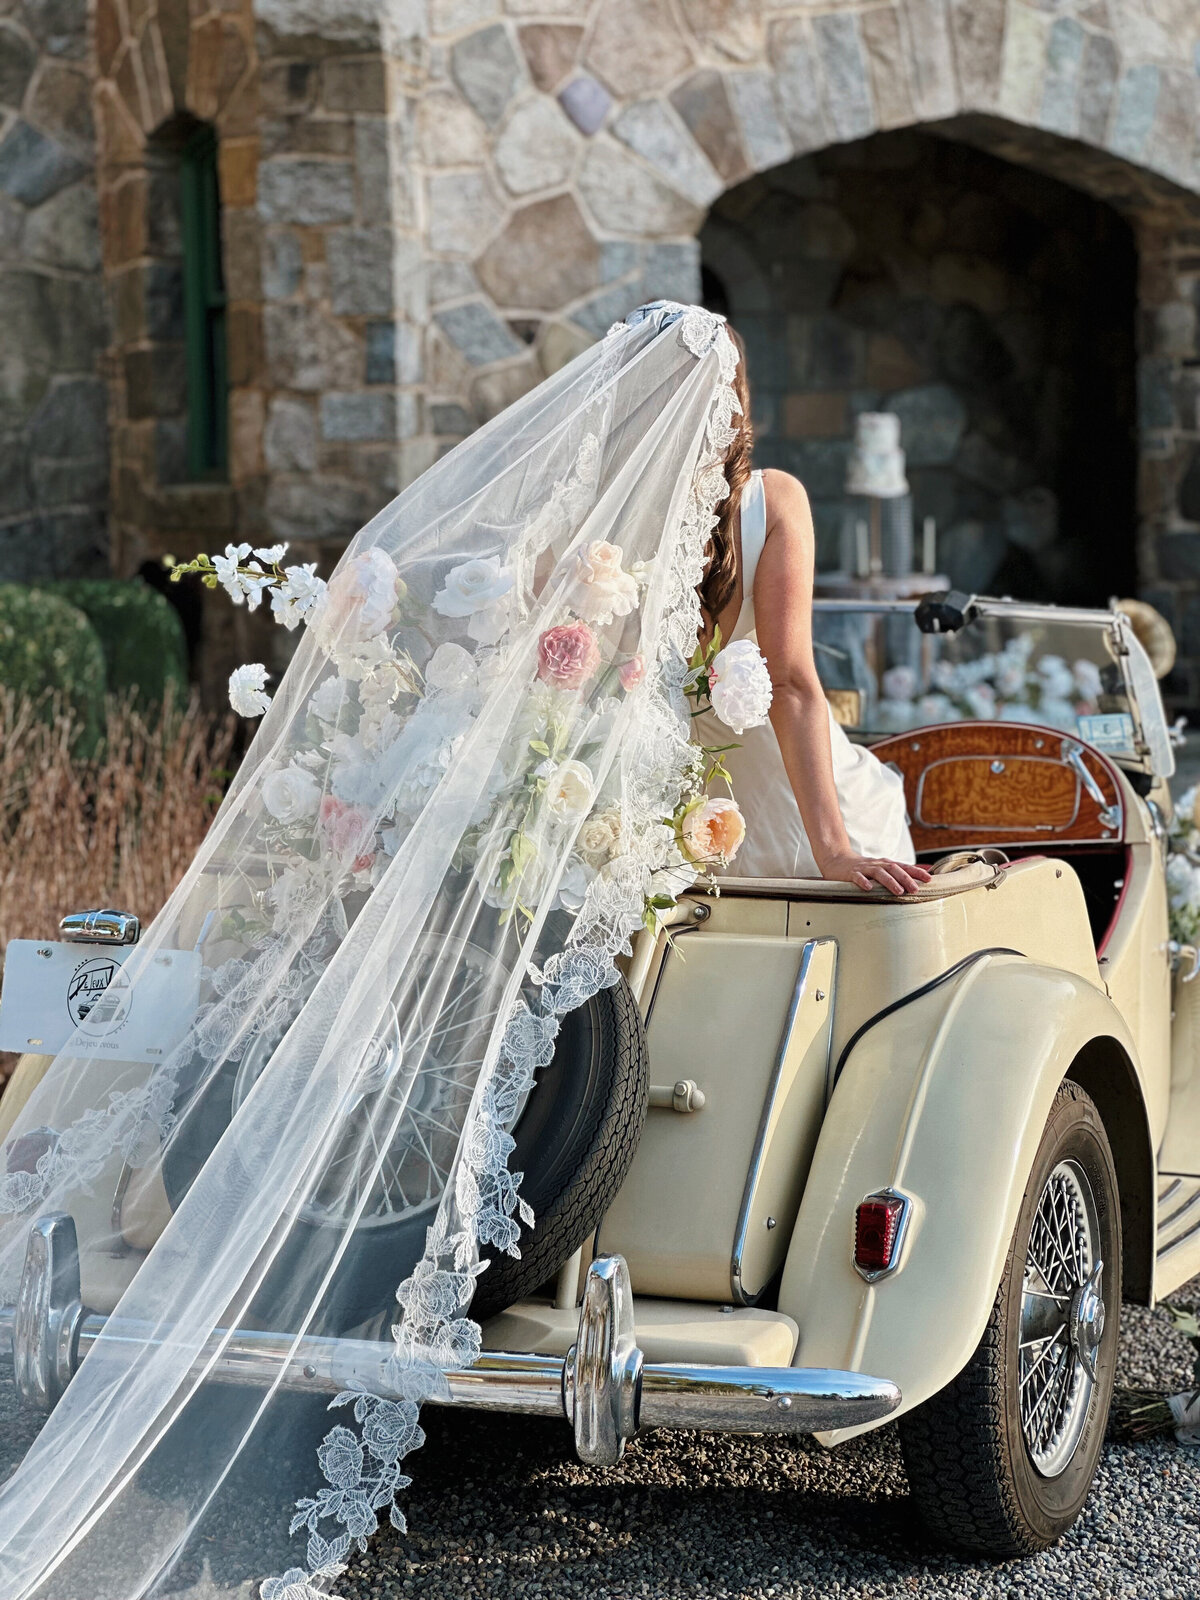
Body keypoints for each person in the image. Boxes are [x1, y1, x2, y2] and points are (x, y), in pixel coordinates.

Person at [693, 333, 930, 895]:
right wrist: (836, 851)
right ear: (736, 395)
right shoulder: (771, 501)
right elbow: (791, 684)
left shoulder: (597, 524)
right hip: (777, 827)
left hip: (689, 830)